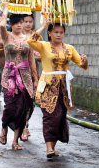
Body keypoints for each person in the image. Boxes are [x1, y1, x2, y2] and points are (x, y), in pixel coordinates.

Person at [27, 21, 88, 159]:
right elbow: (30, 40)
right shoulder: (44, 46)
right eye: (55, 32)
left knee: (60, 116)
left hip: (63, 88)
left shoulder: (70, 49)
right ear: (49, 33)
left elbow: (82, 65)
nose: (59, 35)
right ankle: (48, 148)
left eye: (61, 32)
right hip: (48, 86)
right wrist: (44, 25)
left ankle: (52, 147)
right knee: (50, 116)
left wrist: (85, 61)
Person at [0, 3, 38, 151]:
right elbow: (2, 26)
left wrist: (35, 79)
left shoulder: (28, 39)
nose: (19, 26)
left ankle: (15, 141)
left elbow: (31, 60)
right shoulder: (6, 36)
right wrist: (6, 9)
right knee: (10, 107)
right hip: (9, 76)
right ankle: (4, 128)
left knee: (23, 109)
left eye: (20, 23)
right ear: (11, 24)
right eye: (15, 23)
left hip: (25, 76)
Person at [21, 13, 41, 141]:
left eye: (30, 22)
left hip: (33, 73)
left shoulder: (36, 37)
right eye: (26, 21)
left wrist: (35, 57)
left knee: (30, 102)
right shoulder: (17, 37)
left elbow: (40, 54)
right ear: (21, 23)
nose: (28, 24)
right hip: (19, 74)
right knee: (21, 102)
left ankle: (26, 123)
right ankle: (23, 127)